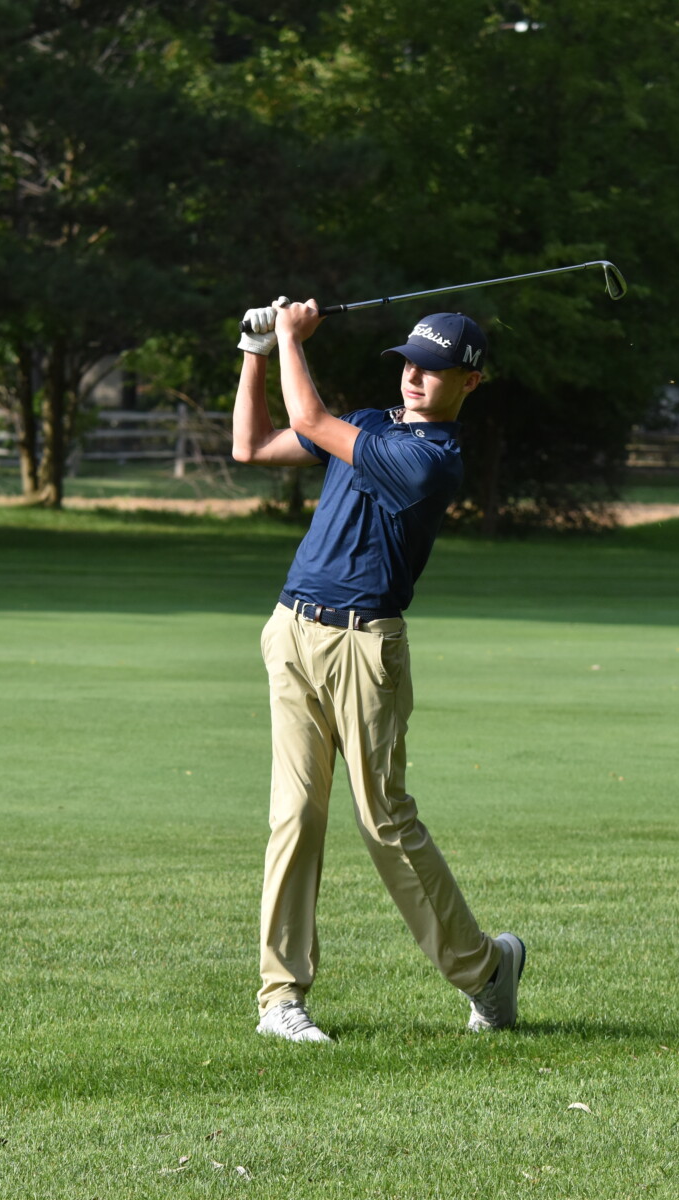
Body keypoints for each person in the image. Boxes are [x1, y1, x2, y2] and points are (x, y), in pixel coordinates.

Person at [229, 296, 524, 1044]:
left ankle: (486, 971)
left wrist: (292, 338)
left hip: (367, 648)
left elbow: (316, 420)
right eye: (409, 364)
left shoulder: (432, 460)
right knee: (292, 817)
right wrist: (254, 351)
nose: (416, 378)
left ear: (470, 382)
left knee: (384, 822)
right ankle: (280, 999)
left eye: (435, 369)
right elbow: (255, 448)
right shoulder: (370, 425)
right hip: (292, 631)